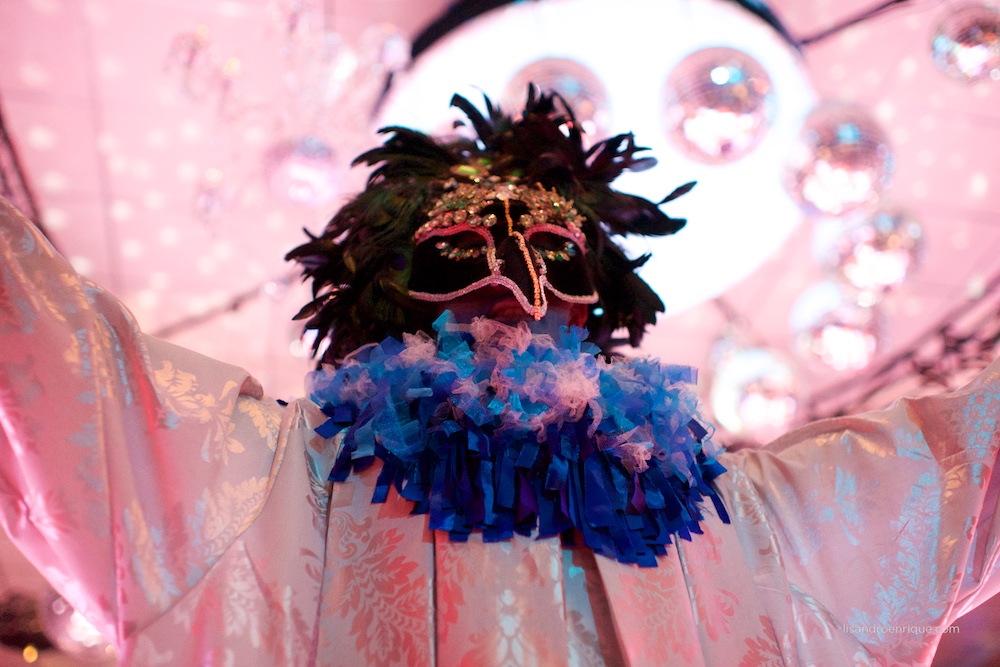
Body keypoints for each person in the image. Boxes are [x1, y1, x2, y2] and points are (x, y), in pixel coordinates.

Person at [0, 89, 998, 667]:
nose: (512, 291)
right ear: (395, 297)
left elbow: (970, 466)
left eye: (554, 260)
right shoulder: (255, 485)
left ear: (589, 303)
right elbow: (44, 362)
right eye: (457, 256)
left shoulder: (745, 520)